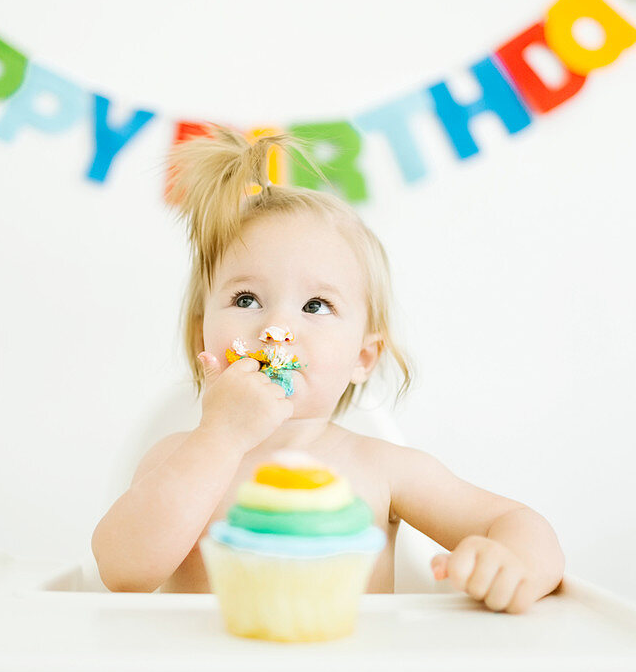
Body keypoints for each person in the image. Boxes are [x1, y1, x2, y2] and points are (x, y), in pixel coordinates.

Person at [92, 125, 564, 613]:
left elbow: (512, 519)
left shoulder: (384, 470)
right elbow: (121, 571)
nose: (277, 328)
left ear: (363, 357)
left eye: (315, 306)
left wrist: (515, 562)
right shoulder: (178, 460)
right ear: (201, 338)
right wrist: (221, 437)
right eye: (246, 299)